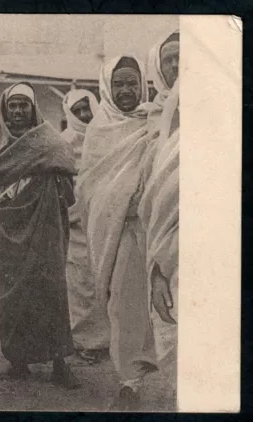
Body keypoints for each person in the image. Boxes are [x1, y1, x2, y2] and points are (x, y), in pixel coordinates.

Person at [77, 54, 158, 410]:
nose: (126, 90)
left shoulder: (154, 121)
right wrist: (123, 197)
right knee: (125, 306)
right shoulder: (99, 129)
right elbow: (89, 188)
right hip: (121, 232)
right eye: (119, 84)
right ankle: (130, 382)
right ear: (107, 88)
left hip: (156, 228)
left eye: (132, 83)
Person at [0, 82, 81, 389]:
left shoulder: (50, 141)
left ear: (33, 108)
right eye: (12, 105)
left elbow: (68, 182)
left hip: (44, 224)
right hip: (6, 226)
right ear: (4, 109)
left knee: (50, 288)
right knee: (9, 292)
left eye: (23, 105)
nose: (17, 111)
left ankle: (59, 363)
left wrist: (47, 184)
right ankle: (19, 361)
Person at [138, 31, 180, 398]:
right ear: (158, 66)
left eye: (185, 57)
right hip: (156, 223)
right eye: (170, 59)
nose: (178, 65)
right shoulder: (151, 115)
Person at [61, 90, 111, 363]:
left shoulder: (103, 136)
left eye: (87, 109)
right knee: (79, 284)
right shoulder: (64, 141)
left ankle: (104, 340)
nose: (83, 115)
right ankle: (83, 341)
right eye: (77, 110)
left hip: (101, 219)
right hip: (75, 221)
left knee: (101, 279)